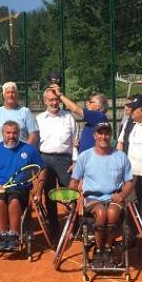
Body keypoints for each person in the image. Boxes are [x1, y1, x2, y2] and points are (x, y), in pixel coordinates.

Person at [69, 122, 133, 263]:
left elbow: (129, 182)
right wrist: (71, 196)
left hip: (114, 197)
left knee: (111, 212)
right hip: (92, 198)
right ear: (95, 135)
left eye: (106, 133)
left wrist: (122, 195)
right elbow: (74, 180)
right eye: (100, 133)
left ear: (110, 135)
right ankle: (98, 249)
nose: (103, 136)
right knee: (101, 213)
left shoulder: (121, 156)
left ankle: (108, 248)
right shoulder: (84, 156)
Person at [0, 121, 45, 252]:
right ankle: (3, 235)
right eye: (8, 133)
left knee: (14, 201)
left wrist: (39, 191)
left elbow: (42, 169)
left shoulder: (29, 149)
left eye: (15, 133)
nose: (11, 136)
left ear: (19, 133)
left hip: (20, 189)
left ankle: (14, 235)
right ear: (2, 133)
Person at [36, 88, 79, 239]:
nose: (54, 102)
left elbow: (75, 141)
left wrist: (75, 161)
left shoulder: (68, 117)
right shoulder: (39, 119)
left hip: (64, 160)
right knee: (48, 195)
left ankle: (75, 226)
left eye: (56, 100)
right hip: (44, 159)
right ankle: (53, 227)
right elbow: (35, 143)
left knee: (70, 193)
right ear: (45, 101)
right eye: (51, 100)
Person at [49, 84, 108, 153]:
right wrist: (80, 144)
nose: (87, 104)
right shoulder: (94, 119)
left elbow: (75, 109)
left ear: (99, 106)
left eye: (91, 102)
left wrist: (60, 95)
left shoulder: (99, 116)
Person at [0, 82, 39, 146]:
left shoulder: (25, 111)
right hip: (2, 153)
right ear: (3, 95)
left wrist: (25, 150)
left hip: (20, 153)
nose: (10, 95)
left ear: (17, 95)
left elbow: (33, 134)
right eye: (8, 92)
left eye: (13, 92)